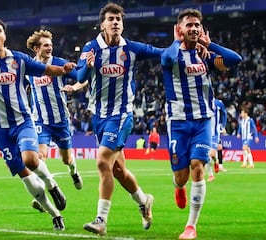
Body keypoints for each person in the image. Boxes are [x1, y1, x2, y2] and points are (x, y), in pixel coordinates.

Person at [0, 9, 77, 231]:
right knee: (25, 176)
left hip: (23, 122)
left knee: (32, 161)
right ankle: (55, 214)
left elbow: (46, 69)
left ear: (4, 36)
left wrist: (64, 69)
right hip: (0, 129)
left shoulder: (19, 60)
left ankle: (52, 184)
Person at [76, 2, 169, 235]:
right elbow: (79, 74)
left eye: (119, 19)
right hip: (98, 116)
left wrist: (183, 44)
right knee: (117, 171)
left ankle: (101, 219)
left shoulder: (132, 48)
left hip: (121, 114)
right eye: (111, 19)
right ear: (102, 24)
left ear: (122, 24)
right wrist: (87, 68)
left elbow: (161, 53)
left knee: (101, 162)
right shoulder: (91, 48)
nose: (115, 22)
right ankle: (143, 201)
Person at [161, 8, 242, 239]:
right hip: (177, 122)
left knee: (198, 166)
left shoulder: (205, 55)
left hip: (203, 121)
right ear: (180, 29)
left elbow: (235, 60)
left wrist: (212, 44)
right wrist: (177, 41)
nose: (194, 28)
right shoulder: (172, 54)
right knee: (181, 176)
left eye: (197, 25)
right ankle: (178, 188)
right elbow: (166, 58)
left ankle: (191, 226)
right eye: (189, 25)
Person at [25, 29, 85, 213]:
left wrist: (73, 87)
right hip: (41, 121)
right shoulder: (28, 67)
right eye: (45, 45)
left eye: (51, 45)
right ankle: (46, 192)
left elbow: (83, 78)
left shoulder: (59, 64)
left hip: (61, 121)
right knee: (38, 156)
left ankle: (73, 171)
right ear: (36, 48)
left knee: (66, 159)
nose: (50, 48)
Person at [206, 98, 228, 182]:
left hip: (215, 133)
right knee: (206, 155)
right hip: (205, 132)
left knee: (211, 154)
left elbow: (224, 113)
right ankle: (211, 175)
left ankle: (216, 162)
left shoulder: (218, 103)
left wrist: (223, 126)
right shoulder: (203, 102)